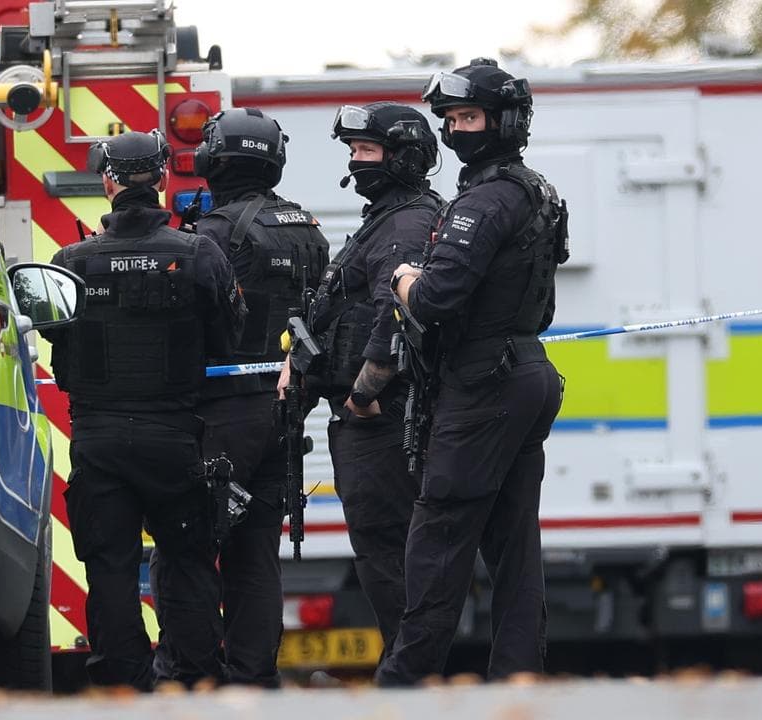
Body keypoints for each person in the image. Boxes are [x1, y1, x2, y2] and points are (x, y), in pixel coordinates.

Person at [375, 58, 569, 686]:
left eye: (468, 116)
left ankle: (403, 685)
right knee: (515, 543)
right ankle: (518, 674)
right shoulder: (536, 189)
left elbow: (434, 301)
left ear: (504, 120)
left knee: (439, 534)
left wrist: (404, 278)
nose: (457, 129)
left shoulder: (484, 201)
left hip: (484, 382)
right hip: (525, 372)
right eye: (452, 118)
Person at [46, 130, 245, 690]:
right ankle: (199, 677)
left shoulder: (72, 261)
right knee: (188, 560)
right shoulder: (199, 252)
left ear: (107, 182)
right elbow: (227, 341)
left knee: (108, 566)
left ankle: (125, 683)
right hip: (175, 438)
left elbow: (57, 344)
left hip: (99, 440)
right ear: (161, 180)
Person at [157, 107, 328, 687]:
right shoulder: (310, 228)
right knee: (256, 555)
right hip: (282, 413)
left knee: (189, 548)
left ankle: (197, 677)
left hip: (218, 414)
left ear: (214, 160)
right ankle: (255, 680)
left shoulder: (211, 236)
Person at [305, 102, 443, 659]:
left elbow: (397, 313)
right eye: (354, 151)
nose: (356, 162)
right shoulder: (388, 217)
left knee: (388, 548)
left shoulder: (406, 222)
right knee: (385, 548)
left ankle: (411, 674)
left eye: (366, 151)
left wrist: (363, 394)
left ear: (403, 158)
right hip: (378, 416)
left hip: (384, 419)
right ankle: (411, 669)